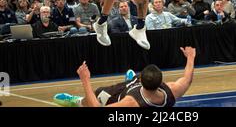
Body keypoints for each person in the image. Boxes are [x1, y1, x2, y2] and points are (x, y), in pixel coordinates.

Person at [53, 46, 196, 107]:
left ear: (141, 81)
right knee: (131, 81)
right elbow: (187, 79)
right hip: (136, 88)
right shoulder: (171, 90)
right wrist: (190, 57)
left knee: (97, 94)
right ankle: (130, 80)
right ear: (161, 83)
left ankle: (77, 102)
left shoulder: (131, 103)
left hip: (118, 95)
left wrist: (85, 80)